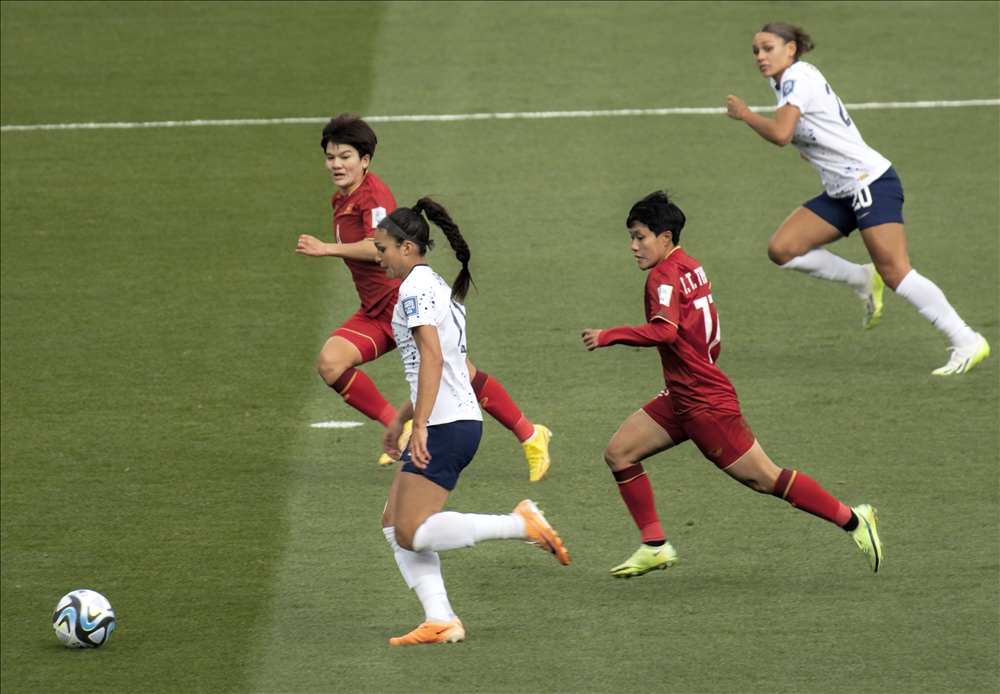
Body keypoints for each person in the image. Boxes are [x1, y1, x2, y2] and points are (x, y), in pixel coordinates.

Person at [581, 191, 882, 577]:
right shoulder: (691, 266)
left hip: (704, 402)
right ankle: (655, 544)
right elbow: (710, 336)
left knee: (765, 478)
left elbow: (665, 331)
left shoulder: (663, 275)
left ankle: (855, 520)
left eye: (640, 237)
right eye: (631, 237)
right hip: (684, 394)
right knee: (619, 452)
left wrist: (609, 335)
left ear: (665, 237)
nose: (633, 246)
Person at [296, 113, 553, 478]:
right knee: (331, 363)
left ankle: (531, 436)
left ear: (365, 160)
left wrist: (326, 249)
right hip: (374, 309)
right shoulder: (342, 198)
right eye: (331, 156)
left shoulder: (374, 197)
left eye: (345, 156)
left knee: (459, 373)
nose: (336, 164)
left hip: (402, 303)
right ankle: (399, 431)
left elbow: (375, 247)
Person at [725, 23, 989, 375]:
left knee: (896, 271)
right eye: (756, 50)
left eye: (768, 48)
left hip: (870, 183)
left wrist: (745, 114)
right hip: (841, 191)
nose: (760, 56)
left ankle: (966, 340)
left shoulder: (796, 78)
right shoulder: (788, 81)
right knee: (783, 249)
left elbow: (782, 134)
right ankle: (861, 279)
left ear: (791, 49)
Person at [374, 198, 569, 645]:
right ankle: (440, 618)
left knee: (412, 532)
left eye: (382, 248)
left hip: (444, 424)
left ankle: (521, 524)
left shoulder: (414, 290)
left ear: (407, 247)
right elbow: (452, 365)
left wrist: (418, 425)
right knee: (393, 522)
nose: (378, 256)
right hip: (453, 418)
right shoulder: (435, 286)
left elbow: (433, 357)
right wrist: (402, 416)